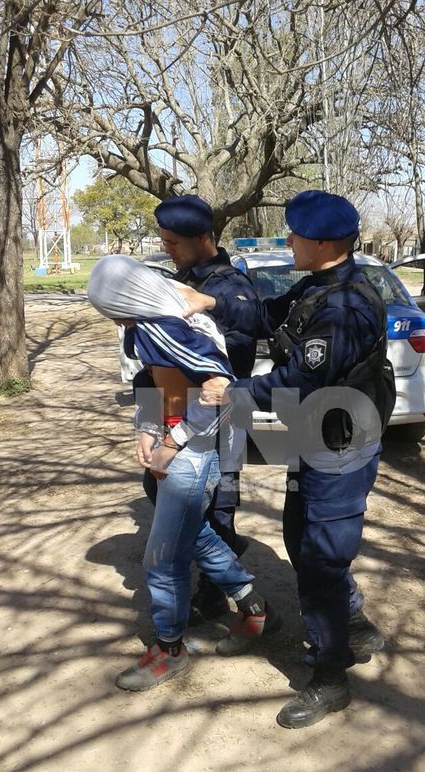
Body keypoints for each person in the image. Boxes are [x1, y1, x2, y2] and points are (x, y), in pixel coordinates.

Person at [181, 190, 393, 729]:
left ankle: (330, 677)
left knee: (319, 553)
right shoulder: (319, 287)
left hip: (339, 443)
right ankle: (355, 622)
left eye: (295, 234)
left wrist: (233, 392)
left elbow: (300, 379)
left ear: (322, 242)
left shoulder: (344, 307)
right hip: (318, 433)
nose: (289, 240)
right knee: (303, 537)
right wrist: (210, 303)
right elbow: (268, 314)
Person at [87, 255, 280, 692]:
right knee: (193, 535)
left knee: (164, 557)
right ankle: (255, 608)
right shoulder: (147, 320)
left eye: (106, 307)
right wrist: (148, 427)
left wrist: (171, 445)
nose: (109, 317)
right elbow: (157, 383)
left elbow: (219, 393)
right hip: (180, 439)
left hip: (198, 446)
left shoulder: (165, 326)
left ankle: (170, 650)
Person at [143, 194, 258, 626]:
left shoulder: (230, 288)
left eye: (174, 242)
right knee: (162, 493)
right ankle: (220, 575)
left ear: (204, 238)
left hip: (217, 423)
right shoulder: (179, 281)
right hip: (179, 418)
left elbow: (235, 367)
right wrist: (152, 418)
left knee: (216, 508)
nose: (167, 249)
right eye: (165, 241)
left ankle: (216, 595)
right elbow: (154, 360)